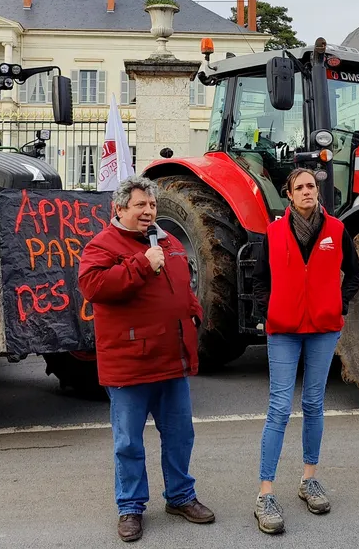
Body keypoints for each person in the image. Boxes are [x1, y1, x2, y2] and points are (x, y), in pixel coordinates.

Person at [78, 174, 215, 542]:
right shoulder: (102, 245)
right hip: (130, 363)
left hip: (171, 359)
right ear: (119, 209)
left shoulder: (166, 241)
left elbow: (181, 286)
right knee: (128, 442)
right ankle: (131, 508)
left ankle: (181, 496)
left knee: (180, 435)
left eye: (151, 205)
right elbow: (93, 287)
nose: (148, 211)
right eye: (140, 205)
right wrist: (141, 264)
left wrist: (193, 311)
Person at [249, 167, 359, 535]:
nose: (306, 191)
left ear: (318, 191)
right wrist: (268, 312)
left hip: (322, 329)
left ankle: (308, 480)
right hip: (283, 330)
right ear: (289, 194)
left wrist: (339, 304)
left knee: (314, 404)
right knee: (279, 408)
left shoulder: (336, 231)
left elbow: (356, 273)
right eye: (299, 187)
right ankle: (265, 493)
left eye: (311, 186)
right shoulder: (273, 232)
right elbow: (260, 279)